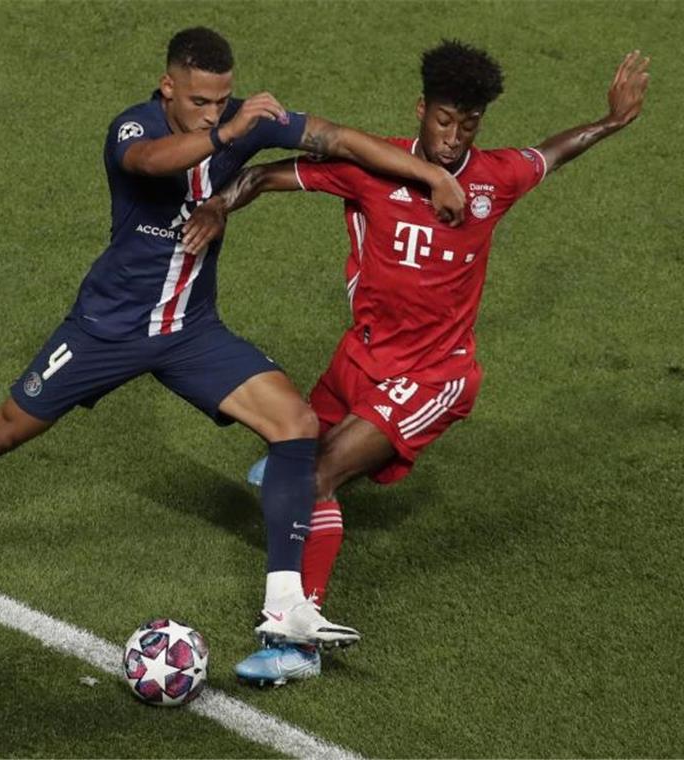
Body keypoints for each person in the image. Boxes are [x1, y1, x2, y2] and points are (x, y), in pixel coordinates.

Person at [0, 27, 466, 651]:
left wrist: (430, 175)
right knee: (3, 429)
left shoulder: (238, 119)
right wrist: (228, 133)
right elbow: (149, 163)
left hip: (191, 333)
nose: (212, 111)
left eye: (222, 99)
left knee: (295, 423)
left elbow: (342, 140)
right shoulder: (135, 127)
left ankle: (285, 605)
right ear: (167, 88)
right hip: (107, 328)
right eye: (198, 101)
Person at [181, 40, 650, 685]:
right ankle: (301, 497)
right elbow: (264, 175)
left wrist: (610, 122)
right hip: (360, 357)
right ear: (421, 108)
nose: (455, 138)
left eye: (470, 125)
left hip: (433, 375)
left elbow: (551, 153)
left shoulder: (493, 180)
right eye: (444, 120)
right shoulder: (373, 166)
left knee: (313, 476)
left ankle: (298, 642)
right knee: (285, 458)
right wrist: (216, 204)